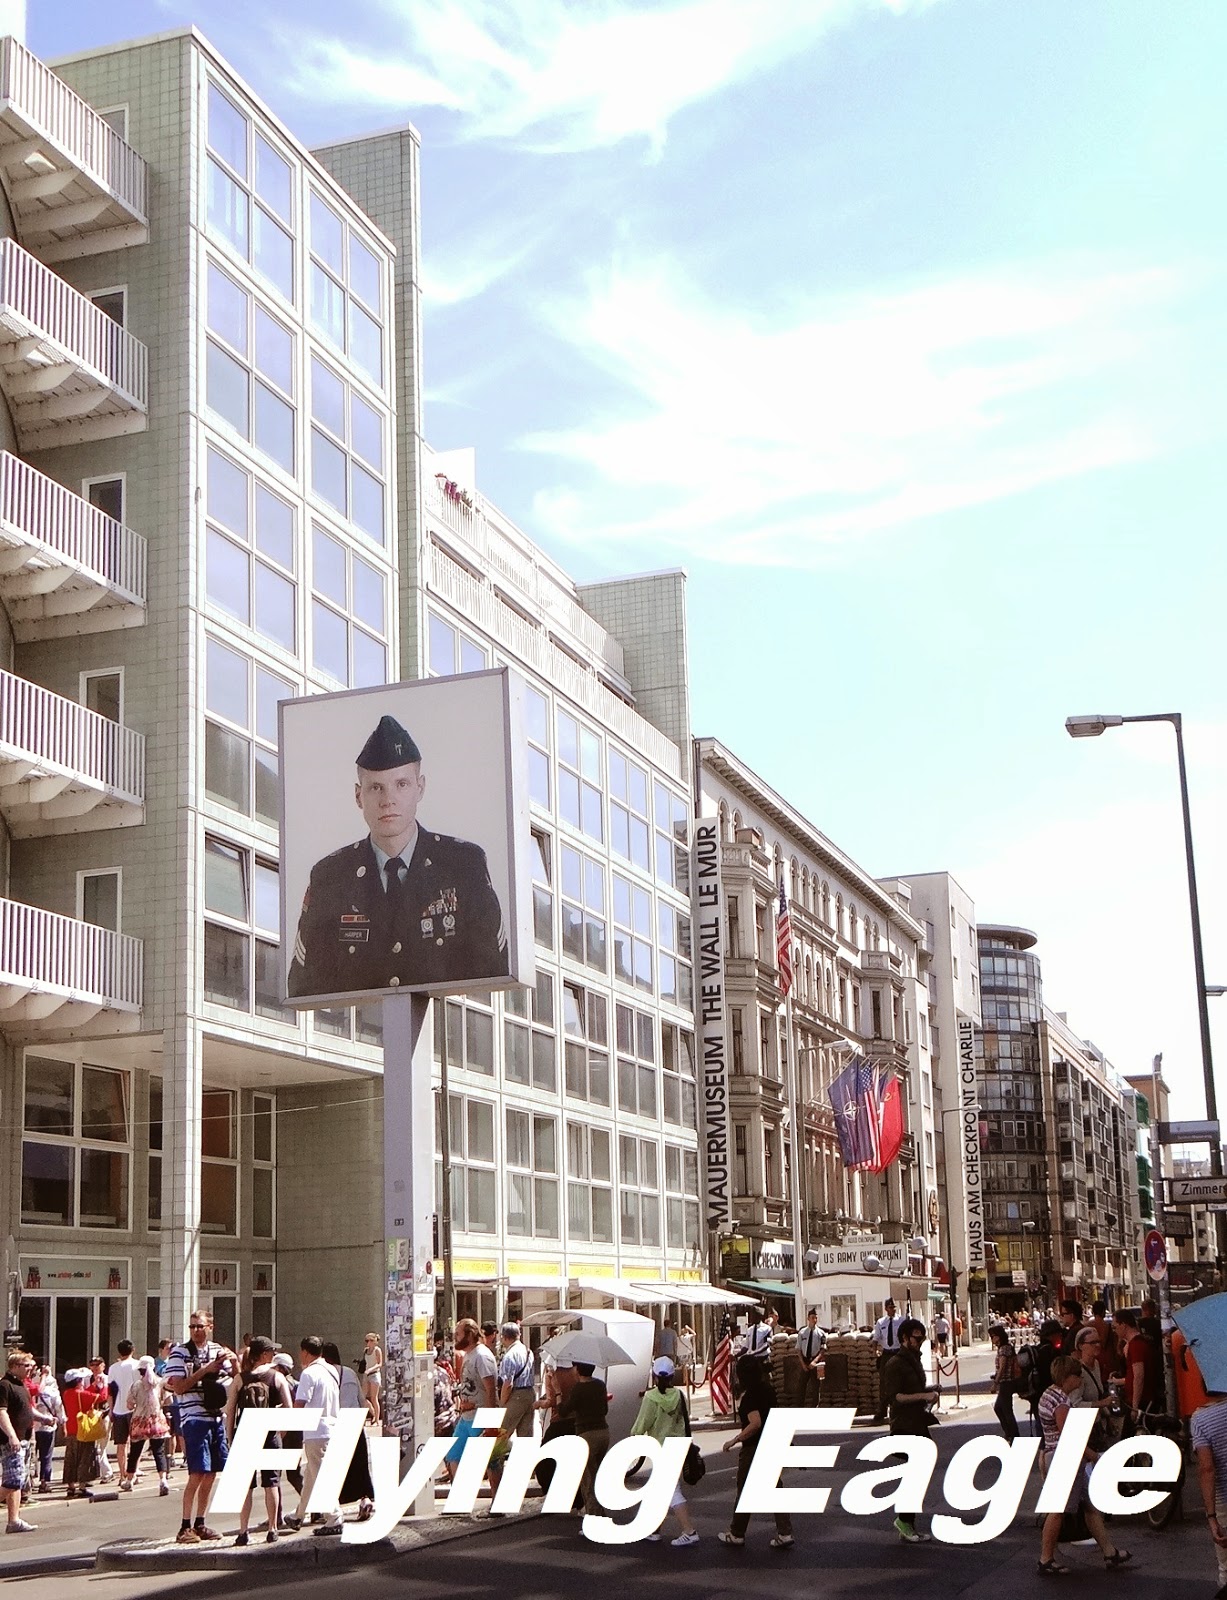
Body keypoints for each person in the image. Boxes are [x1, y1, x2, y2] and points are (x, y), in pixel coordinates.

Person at [287, 715, 509, 997]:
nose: (388, 800)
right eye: (376, 787)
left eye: (401, 784)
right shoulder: (330, 877)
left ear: (420, 788)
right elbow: (304, 987)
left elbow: (493, 974)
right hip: (364, 1023)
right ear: (358, 796)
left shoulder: (463, 865)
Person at [1036, 1355, 1132, 1575]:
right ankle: (1046, 1558)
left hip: (1059, 1456)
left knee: (1090, 1505)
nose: (1080, 1380)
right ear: (1067, 1377)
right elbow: (1069, 1436)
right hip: (1064, 1459)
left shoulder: (1049, 1394)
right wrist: (1093, 1455)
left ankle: (1109, 1552)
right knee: (1057, 1511)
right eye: (1077, 1375)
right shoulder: (1061, 1402)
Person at [164, 1309, 237, 1543]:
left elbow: (236, 1379)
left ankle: (200, 1522)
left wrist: (234, 1361)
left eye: (200, 1326)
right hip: (193, 1418)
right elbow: (178, 1387)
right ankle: (184, 1526)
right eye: (192, 1326)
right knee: (196, 1473)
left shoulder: (217, 1351)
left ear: (210, 1327)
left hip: (215, 1417)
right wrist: (205, 1370)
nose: (196, 1330)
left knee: (211, 1473)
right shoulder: (180, 1353)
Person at [718, 1352, 794, 1549]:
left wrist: (735, 1440)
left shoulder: (749, 1398)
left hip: (753, 1448)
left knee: (744, 1490)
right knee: (776, 1489)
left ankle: (737, 1533)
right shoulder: (768, 1390)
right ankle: (785, 1532)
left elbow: (755, 1423)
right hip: (772, 1444)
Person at [224, 1337, 294, 1545]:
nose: (273, 1355)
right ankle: (272, 1529)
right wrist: (281, 1431)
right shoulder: (276, 1377)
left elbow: (230, 1411)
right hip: (269, 1433)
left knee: (246, 1486)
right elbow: (289, 1408)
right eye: (271, 1351)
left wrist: (230, 1438)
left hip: (245, 1433)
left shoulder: (240, 1379)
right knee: (271, 1483)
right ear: (263, 1355)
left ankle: (243, 1531)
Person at [629, 1357, 699, 1546]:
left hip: (660, 1448)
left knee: (672, 1491)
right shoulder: (679, 1395)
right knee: (657, 1489)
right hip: (678, 1446)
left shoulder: (651, 1397)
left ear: (654, 1376)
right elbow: (683, 1422)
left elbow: (642, 1423)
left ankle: (689, 1531)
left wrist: (634, 1437)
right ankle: (654, 1529)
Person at [882, 1318, 939, 1543]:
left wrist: (930, 1391)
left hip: (917, 1422)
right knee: (915, 1472)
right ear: (905, 1338)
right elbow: (896, 1397)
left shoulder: (914, 1360)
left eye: (922, 1338)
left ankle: (907, 1522)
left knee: (918, 1472)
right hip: (904, 1424)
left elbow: (913, 1389)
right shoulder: (895, 1363)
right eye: (916, 1338)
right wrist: (924, 1395)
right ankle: (904, 1520)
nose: (920, 1341)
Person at [287, 1336, 342, 1533]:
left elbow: (301, 1402)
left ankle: (334, 1517)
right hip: (332, 1426)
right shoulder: (331, 1371)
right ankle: (298, 1515)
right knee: (311, 1475)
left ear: (305, 1352)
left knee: (319, 1476)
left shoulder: (309, 1373)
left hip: (316, 1430)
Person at [322, 1341, 374, 1525]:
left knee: (335, 1468)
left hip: (336, 1424)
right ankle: (365, 1500)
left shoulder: (324, 1375)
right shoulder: (349, 1372)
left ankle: (330, 1509)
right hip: (355, 1422)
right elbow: (361, 1399)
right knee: (360, 1466)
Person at [556, 1361, 609, 1517]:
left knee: (587, 1479)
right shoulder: (600, 1385)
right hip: (603, 1432)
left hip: (586, 1435)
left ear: (578, 1370)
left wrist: (558, 1392)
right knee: (597, 1475)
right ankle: (601, 1511)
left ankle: (594, 1516)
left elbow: (563, 1411)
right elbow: (605, 1410)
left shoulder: (578, 1389)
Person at [446, 1319, 496, 1479]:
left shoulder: (482, 1356)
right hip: (467, 1417)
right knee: (453, 1455)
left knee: (490, 1462)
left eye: (458, 1334)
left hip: (480, 1416)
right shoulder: (469, 1355)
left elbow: (491, 1389)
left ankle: (496, 1494)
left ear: (469, 1335)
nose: (455, 1337)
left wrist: (490, 1422)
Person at [0, 1352, 43, 1533]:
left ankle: (14, 1520)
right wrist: (11, 1436)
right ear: (15, 1366)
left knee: (18, 1482)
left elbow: (27, 1410)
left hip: (24, 1439)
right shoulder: (5, 1385)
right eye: (26, 1365)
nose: (30, 1368)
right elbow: (1, 1412)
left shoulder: (21, 1385)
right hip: (12, 1441)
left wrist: (45, 1418)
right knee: (13, 1480)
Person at [1193, 1384, 1227, 1595]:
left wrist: (1212, 1516)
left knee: (1225, 1566)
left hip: (1224, 1496)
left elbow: (1207, 1468)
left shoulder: (1200, 1419)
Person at [123, 1356, 171, 1496]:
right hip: (157, 1421)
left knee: (135, 1452)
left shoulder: (136, 1385)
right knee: (159, 1452)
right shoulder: (160, 1383)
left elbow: (129, 1404)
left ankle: (129, 1480)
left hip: (139, 1422)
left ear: (140, 1370)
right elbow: (168, 1400)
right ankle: (163, 1480)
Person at [1114, 1308, 1161, 1425]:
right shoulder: (1136, 1343)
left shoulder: (1136, 1345)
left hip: (1142, 1402)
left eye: (1115, 1327)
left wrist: (1135, 1407)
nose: (1115, 1331)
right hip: (1141, 1399)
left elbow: (1139, 1376)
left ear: (1123, 1325)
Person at [62, 1368, 102, 1498]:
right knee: (84, 1458)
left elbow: (85, 1394)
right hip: (83, 1429)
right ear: (78, 1381)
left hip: (71, 1429)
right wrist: (103, 1386)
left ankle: (70, 1487)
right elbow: (101, 1397)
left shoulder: (66, 1393)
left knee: (71, 1459)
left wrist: (93, 1385)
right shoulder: (81, 1394)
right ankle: (82, 1486)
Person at [108, 1340, 143, 1490]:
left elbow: (110, 1391)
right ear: (133, 1350)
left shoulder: (113, 1368)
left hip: (118, 1409)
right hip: (135, 1409)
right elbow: (140, 1387)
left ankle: (122, 1475)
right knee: (136, 1443)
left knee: (121, 1444)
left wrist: (110, 1410)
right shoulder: (137, 1365)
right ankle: (132, 1474)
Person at [496, 1323, 536, 1443]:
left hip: (516, 1395)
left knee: (501, 1433)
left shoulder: (510, 1355)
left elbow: (508, 1384)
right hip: (530, 1393)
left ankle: (495, 1455)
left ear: (504, 1337)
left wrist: (502, 1403)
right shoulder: (528, 1351)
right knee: (526, 1436)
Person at [871, 1299, 904, 1423]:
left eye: (894, 1307)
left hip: (898, 1353)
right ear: (886, 1309)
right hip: (886, 1353)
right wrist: (875, 1351)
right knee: (884, 1382)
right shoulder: (881, 1322)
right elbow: (876, 1339)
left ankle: (896, 1409)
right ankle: (882, 1410)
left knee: (898, 1382)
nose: (893, 1309)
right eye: (890, 1307)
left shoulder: (901, 1321)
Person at [33, 1365, 64, 1496]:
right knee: (46, 1456)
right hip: (48, 1427)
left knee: (32, 1456)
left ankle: (29, 1481)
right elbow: (59, 1409)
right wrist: (62, 1422)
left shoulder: (32, 1390)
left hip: (33, 1427)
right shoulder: (53, 1392)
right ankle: (44, 1482)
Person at [989, 1325, 1021, 1442]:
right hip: (1005, 1382)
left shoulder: (1004, 1349)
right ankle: (1010, 1434)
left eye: (993, 1336)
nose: (992, 1339)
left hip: (1007, 1382)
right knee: (999, 1408)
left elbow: (1002, 1367)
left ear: (999, 1336)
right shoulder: (1004, 1348)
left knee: (1006, 1410)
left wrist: (995, 1383)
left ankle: (1013, 1435)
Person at [796, 1310, 826, 1406]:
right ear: (808, 1318)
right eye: (812, 1317)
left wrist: (814, 1361)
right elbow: (798, 1349)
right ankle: (800, 1407)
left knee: (816, 1387)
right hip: (805, 1361)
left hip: (816, 1362)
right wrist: (803, 1364)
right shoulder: (802, 1333)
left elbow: (822, 1350)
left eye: (816, 1318)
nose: (814, 1320)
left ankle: (815, 1407)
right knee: (801, 1386)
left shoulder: (821, 1333)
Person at [358, 1333, 383, 1426]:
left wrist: (370, 1369)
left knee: (373, 1398)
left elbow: (379, 1364)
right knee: (362, 1397)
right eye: (367, 1340)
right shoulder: (366, 1350)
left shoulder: (377, 1350)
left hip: (374, 1374)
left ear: (375, 1341)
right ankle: (373, 1413)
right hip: (367, 1375)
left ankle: (377, 1420)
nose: (368, 1342)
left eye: (371, 1340)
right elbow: (365, 1362)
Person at [676, 1326, 696, 1394]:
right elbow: (694, 1333)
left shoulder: (678, 1338)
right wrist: (689, 1328)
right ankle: (687, 1379)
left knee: (683, 1366)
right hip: (687, 1353)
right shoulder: (687, 1337)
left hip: (680, 1354)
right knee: (687, 1367)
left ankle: (684, 1379)